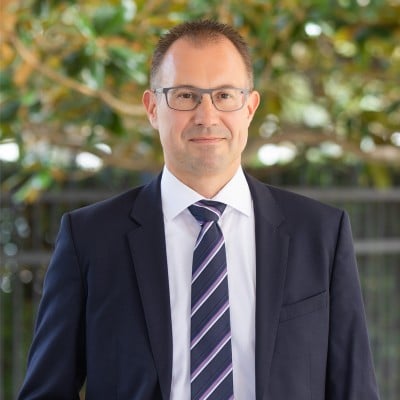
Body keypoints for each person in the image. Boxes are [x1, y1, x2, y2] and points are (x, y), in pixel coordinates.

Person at [18, 20, 380, 400]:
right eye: (186, 95)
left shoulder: (321, 234)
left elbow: (355, 390)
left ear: (250, 107)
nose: (207, 116)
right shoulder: (90, 239)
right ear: (152, 108)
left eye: (224, 95)